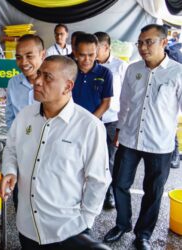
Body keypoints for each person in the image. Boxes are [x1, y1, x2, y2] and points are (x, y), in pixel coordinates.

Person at [0, 55, 111, 250]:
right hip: (27, 226)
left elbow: (98, 181)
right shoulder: (25, 116)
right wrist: (10, 171)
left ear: (68, 86)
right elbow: (11, 149)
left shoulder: (89, 127)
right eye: (39, 74)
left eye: (48, 77)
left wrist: (85, 221)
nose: (37, 81)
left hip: (66, 231)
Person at [103, 24, 182, 250]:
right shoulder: (133, 69)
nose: (143, 47)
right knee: (120, 183)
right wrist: (118, 130)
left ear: (164, 43)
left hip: (160, 143)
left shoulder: (177, 72)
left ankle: (143, 234)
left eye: (149, 42)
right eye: (140, 43)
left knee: (153, 191)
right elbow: (125, 103)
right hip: (129, 138)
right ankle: (122, 224)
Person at [5, 34, 45, 210]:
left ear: (42, 54)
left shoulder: (53, 83)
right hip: (22, 154)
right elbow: (10, 117)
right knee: (21, 204)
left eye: (30, 56)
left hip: (47, 156)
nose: (23, 62)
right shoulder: (13, 83)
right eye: (19, 57)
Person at [94, 31, 128, 209]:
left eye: (96, 48)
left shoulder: (120, 67)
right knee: (93, 159)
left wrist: (122, 126)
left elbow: (126, 97)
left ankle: (110, 195)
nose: (92, 52)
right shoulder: (89, 66)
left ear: (106, 47)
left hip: (112, 120)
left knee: (111, 161)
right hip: (93, 119)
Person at [72, 33, 113, 119]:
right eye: (82, 55)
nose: (87, 60)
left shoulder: (105, 73)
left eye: (91, 55)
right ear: (75, 53)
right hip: (69, 122)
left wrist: (90, 122)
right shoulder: (68, 70)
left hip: (94, 123)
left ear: (97, 52)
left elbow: (106, 103)